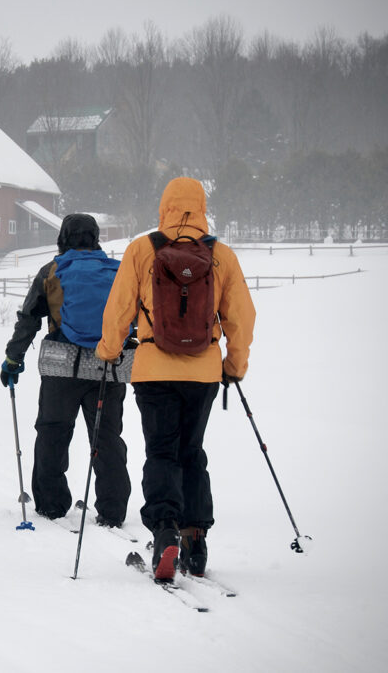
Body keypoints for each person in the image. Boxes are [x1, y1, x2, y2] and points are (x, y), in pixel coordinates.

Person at [97, 177, 255, 581]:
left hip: (154, 371)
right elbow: (241, 317)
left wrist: (109, 351)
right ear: (202, 207)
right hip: (203, 373)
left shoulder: (142, 250)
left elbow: (118, 308)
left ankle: (164, 530)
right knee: (191, 452)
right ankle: (194, 538)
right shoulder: (221, 255)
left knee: (161, 452)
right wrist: (234, 365)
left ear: (164, 206)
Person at [1, 213, 132, 527]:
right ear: (95, 237)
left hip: (61, 365)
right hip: (108, 366)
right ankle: (113, 510)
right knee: (107, 437)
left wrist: (13, 359)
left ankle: (51, 503)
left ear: (63, 237)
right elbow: (134, 317)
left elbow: (30, 317)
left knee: (53, 432)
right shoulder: (118, 272)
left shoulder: (53, 271)